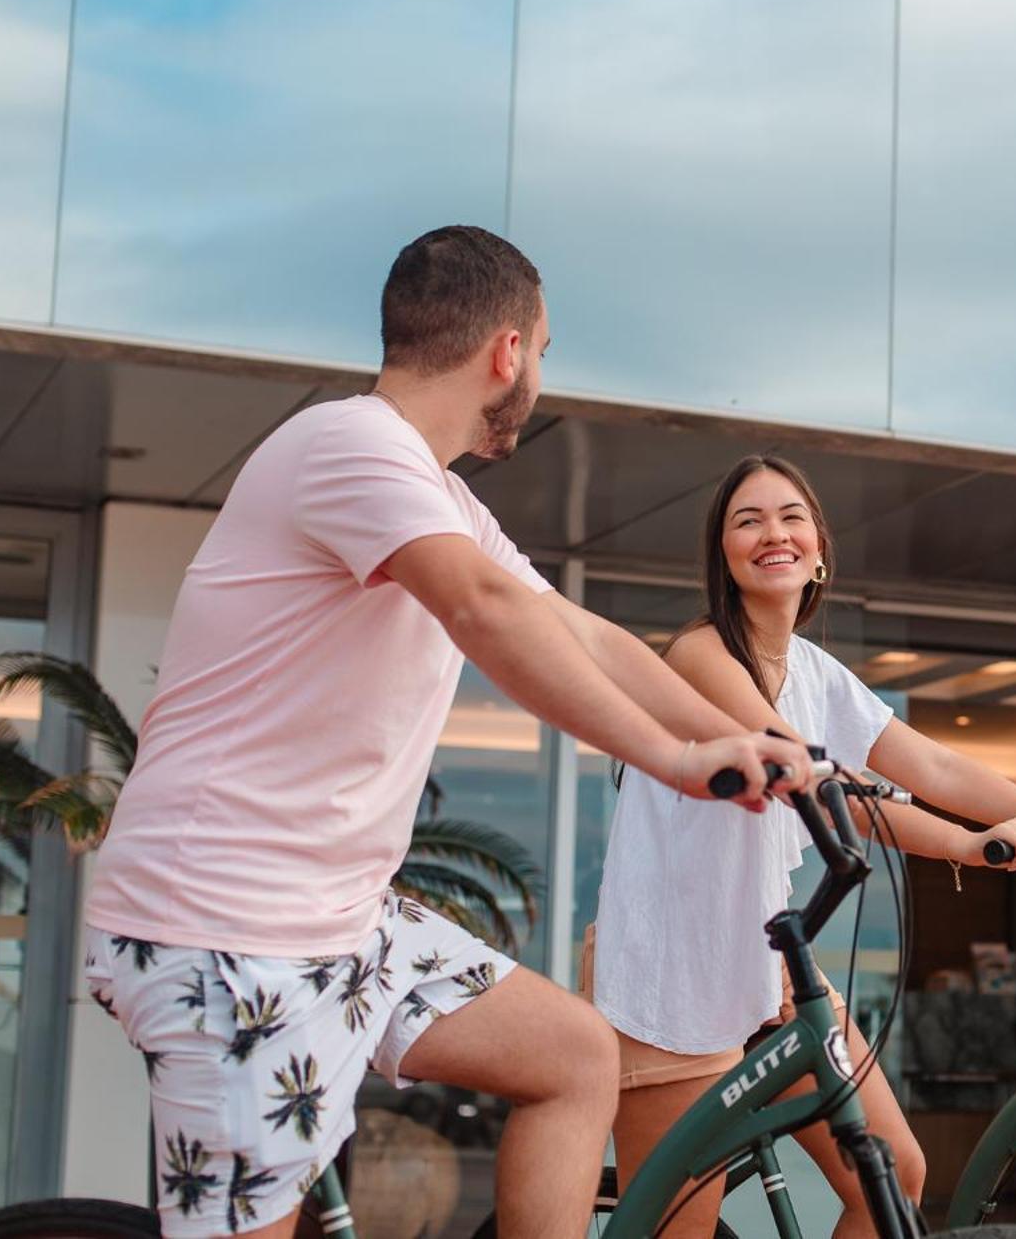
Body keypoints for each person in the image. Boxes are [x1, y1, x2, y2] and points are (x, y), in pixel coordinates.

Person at [80, 227, 808, 1239]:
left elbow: (579, 631)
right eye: (544, 350)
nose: (539, 375)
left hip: (344, 919)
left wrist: (775, 745)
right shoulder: (346, 444)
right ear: (506, 352)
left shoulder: (439, 495)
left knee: (571, 1056)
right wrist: (681, 761)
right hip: (223, 928)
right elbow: (481, 608)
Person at [589, 454, 1016, 1239]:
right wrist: (946, 829)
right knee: (677, 1227)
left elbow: (932, 765)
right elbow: (800, 761)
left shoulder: (820, 674)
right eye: (746, 520)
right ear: (722, 555)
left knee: (891, 1170)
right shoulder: (700, 655)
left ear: (819, 549)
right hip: (670, 979)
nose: (772, 533)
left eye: (791, 516)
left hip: (766, 969)